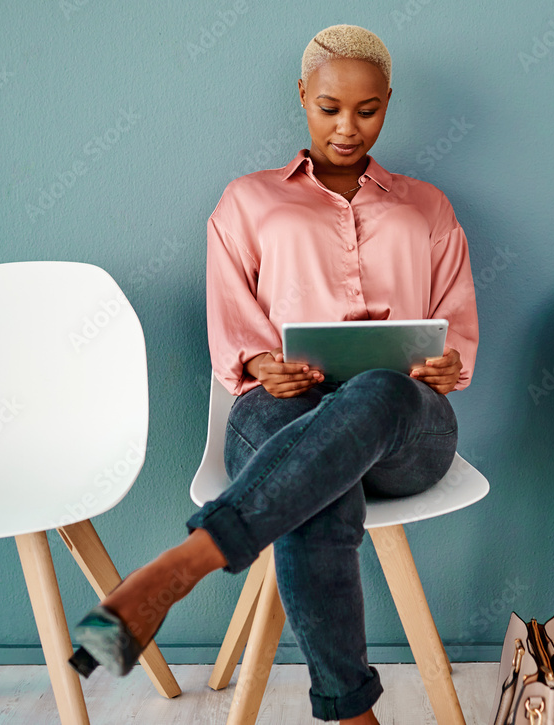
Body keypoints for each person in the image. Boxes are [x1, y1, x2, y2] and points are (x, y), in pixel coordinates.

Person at [70, 24, 478, 725]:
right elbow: (232, 326)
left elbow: (457, 329)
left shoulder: (429, 207)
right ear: (302, 96)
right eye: (328, 107)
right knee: (317, 480)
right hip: (277, 413)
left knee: (377, 391)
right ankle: (355, 715)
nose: (347, 127)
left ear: (388, 102)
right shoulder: (247, 201)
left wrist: (444, 363)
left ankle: (181, 566)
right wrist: (263, 362)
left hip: (404, 427)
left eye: (367, 110)